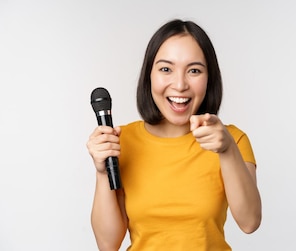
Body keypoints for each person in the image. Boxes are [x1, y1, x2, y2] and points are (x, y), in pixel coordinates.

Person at [86, 19, 262, 251]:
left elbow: (249, 222)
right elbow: (108, 244)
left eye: (194, 71)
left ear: (209, 78)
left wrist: (227, 150)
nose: (180, 85)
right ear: (149, 74)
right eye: (166, 69)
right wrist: (102, 172)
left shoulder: (231, 140)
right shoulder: (122, 141)